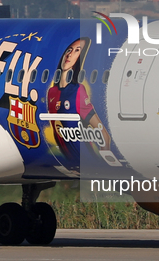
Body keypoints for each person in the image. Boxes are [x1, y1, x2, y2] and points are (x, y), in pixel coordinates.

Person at [47, 38, 111, 170]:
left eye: (77, 51)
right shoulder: (52, 92)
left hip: (85, 159)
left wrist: (104, 163)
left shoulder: (77, 91)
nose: (70, 54)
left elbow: (104, 135)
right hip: (68, 162)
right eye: (69, 50)